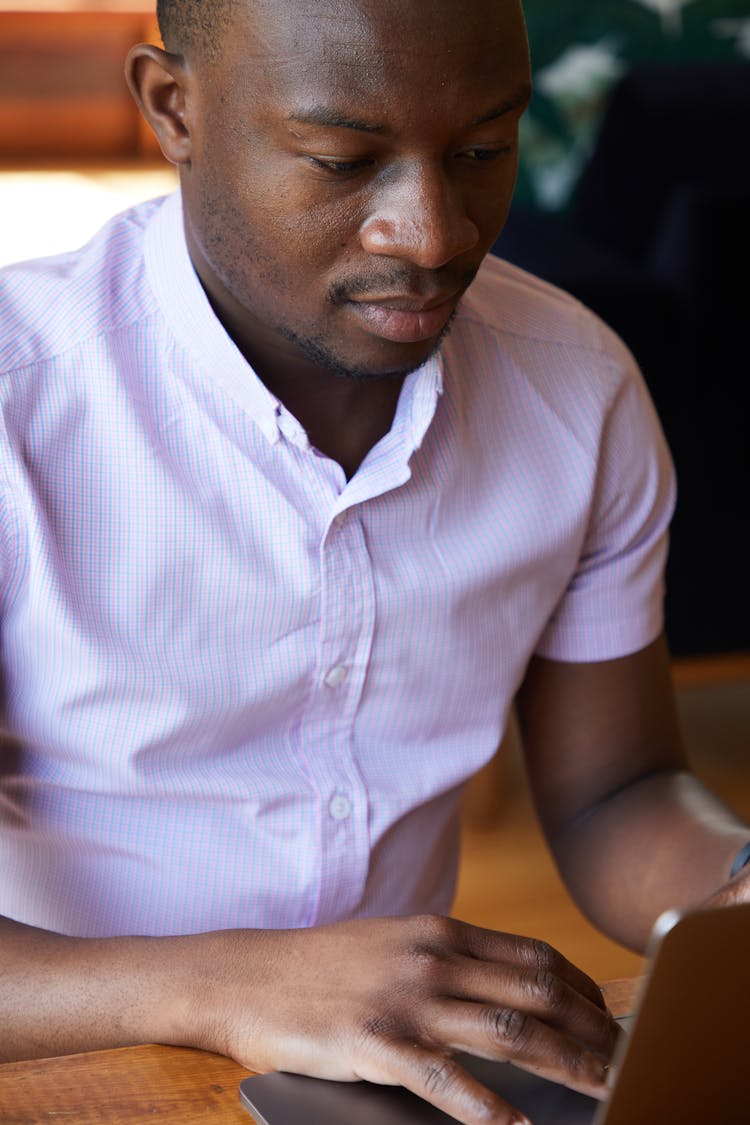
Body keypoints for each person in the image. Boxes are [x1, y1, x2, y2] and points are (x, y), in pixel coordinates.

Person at [0, 1, 748, 1122]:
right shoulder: (23, 406)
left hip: (393, 1086)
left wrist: (738, 891)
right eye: (343, 161)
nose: (433, 234)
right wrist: (238, 983)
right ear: (175, 109)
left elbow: (618, 790)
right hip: (68, 1071)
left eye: (484, 150)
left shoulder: (579, 392)